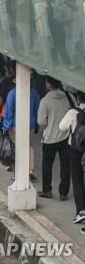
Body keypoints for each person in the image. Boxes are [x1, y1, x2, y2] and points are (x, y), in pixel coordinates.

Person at [37, 77, 71, 200]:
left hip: (50, 138)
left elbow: (41, 121)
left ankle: (47, 190)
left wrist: (48, 125)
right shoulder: (68, 97)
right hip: (66, 137)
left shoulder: (45, 100)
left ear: (49, 85)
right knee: (65, 165)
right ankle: (63, 192)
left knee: (47, 164)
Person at [2, 76, 40, 180]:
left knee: (16, 147)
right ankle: (30, 170)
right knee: (29, 146)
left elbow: (8, 112)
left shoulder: (13, 93)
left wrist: (6, 126)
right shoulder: (34, 93)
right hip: (30, 123)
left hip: (16, 124)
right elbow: (37, 110)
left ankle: (17, 173)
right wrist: (36, 124)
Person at [59, 91, 85, 224]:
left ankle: (81, 210)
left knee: (77, 179)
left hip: (75, 149)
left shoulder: (73, 112)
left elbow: (62, 127)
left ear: (78, 99)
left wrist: (67, 113)